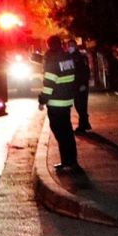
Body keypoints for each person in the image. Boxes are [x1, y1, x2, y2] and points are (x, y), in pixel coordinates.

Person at [41, 35, 81, 173]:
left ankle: (67, 162)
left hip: (56, 103)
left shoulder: (52, 60)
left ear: (49, 45)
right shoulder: (67, 58)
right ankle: (71, 162)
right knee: (67, 133)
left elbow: (49, 84)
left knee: (60, 134)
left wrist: (42, 100)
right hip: (66, 101)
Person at [68, 37, 92, 133]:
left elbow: (86, 71)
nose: (70, 47)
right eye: (69, 45)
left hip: (81, 85)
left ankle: (82, 126)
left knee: (81, 105)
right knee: (79, 105)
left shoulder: (81, 57)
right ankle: (85, 124)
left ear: (75, 46)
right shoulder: (70, 56)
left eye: (72, 45)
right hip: (75, 85)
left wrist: (84, 84)